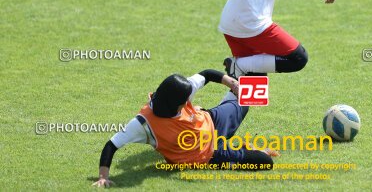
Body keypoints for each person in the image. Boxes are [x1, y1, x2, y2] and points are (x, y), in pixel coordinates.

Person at [92, 69, 278, 188]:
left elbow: (207, 74)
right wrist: (103, 176)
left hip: (211, 121)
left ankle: (237, 68)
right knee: (265, 161)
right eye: (184, 103)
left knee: (250, 90)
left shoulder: (180, 88)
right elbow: (112, 144)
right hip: (209, 153)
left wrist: (231, 82)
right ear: (174, 104)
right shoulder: (143, 124)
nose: (187, 102)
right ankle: (244, 149)